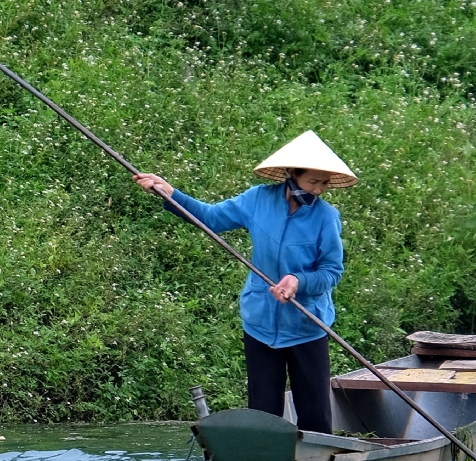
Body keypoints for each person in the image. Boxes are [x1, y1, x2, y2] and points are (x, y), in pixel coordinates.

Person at [133, 130, 357, 434]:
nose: (317, 190)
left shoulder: (326, 217)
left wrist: (297, 281)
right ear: (292, 174)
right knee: (263, 413)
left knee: (315, 414)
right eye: (312, 182)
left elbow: (332, 270)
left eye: (323, 183)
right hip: (260, 323)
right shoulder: (257, 200)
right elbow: (210, 218)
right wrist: (171, 194)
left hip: (307, 325)